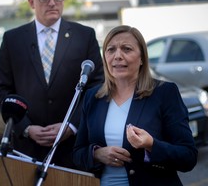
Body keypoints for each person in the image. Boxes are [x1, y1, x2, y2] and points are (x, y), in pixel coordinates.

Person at [0, 0, 104, 169]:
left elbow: (96, 87)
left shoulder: (84, 36)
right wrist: (25, 127)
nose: (52, 2)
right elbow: (3, 90)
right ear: (31, 2)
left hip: (73, 150)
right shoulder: (12, 40)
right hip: (27, 150)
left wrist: (71, 126)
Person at [73, 25, 198, 185]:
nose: (118, 56)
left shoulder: (164, 93)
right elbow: (78, 152)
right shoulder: (93, 96)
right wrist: (97, 154)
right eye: (111, 50)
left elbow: (188, 157)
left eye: (127, 49)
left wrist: (152, 145)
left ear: (141, 59)